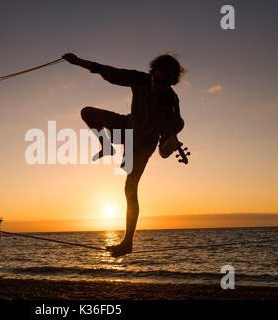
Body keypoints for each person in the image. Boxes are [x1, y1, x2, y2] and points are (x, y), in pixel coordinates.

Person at [62, 52, 187, 257]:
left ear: (171, 83)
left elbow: (165, 147)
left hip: (142, 147)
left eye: (164, 84)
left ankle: (127, 242)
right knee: (87, 112)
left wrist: (169, 143)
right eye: (156, 79)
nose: (157, 86)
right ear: (152, 73)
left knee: (130, 188)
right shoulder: (140, 80)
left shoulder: (171, 101)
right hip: (128, 126)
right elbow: (108, 71)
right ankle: (107, 145)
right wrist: (77, 61)